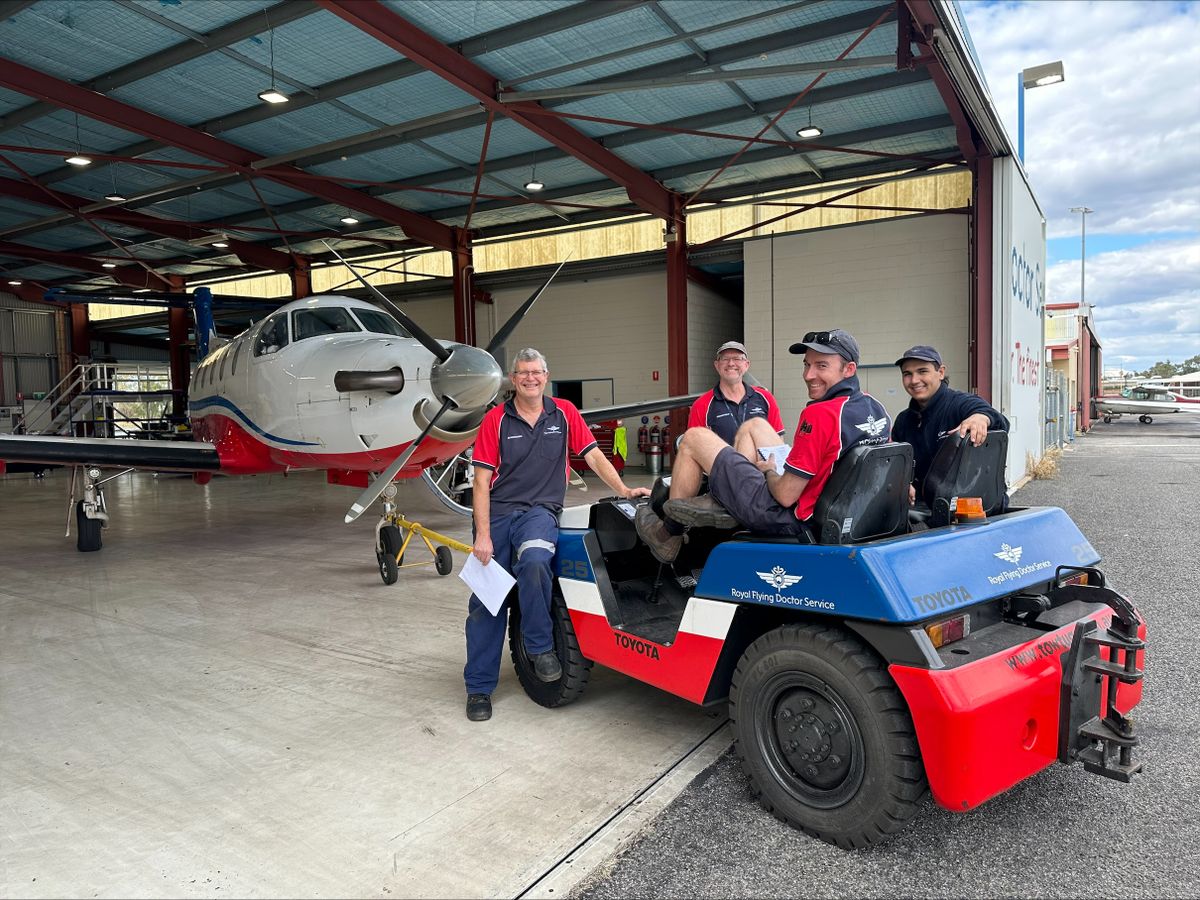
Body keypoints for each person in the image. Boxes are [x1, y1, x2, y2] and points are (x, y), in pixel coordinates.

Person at [464, 348, 650, 722]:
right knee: (487, 603)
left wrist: (625, 489)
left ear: (546, 376)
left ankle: (539, 647)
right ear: (513, 380)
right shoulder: (495, 421)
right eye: (523, 373)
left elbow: (595, 456)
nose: (530, 378)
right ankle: (478, 688)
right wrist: (482, 535)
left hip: (539, 512)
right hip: (498, 514)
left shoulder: (564, 413)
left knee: (535, 560)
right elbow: (481, 481)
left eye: (536, 372)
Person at [635, 329, 890, 562]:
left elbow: (785, 495)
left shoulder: (821, 415)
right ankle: (727, 497)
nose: (808, 375)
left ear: (849, 369)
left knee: (693, 438)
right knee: (754, 425)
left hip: (787, 516)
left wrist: (769, 470)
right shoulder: (875, 407)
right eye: (807, 365)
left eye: (821, 366)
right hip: (832, 503)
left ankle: (668, 535)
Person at [891, 345, 1009, 502]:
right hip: (927, 511)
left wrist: (980, 418)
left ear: (940, 372)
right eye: (907, 374)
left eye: (922, 371)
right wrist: (903, 483)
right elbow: (900, 466)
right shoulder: (903, 421)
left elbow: (998, 420)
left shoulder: (959, 403)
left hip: (975, 512)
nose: (914, 380)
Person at [687, 341, 785, 445]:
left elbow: (778, 440)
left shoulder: (766, 398)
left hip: (758, 461)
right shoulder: (701, 405)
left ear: (746, 365)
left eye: (737, 358)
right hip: (722, 461)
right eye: (725, 359)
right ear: (717, 365)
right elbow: (693, 447)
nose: (731, 363)